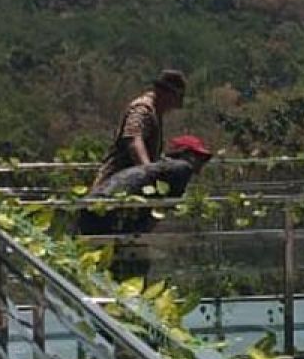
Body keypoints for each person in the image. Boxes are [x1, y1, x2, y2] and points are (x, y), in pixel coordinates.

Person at [78, 134, 215, 236]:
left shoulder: (161, 168)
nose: (202, 162)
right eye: (199, 157)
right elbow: (166, 207)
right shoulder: (182, 168)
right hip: (110, 207)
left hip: (97, 202)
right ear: (187, 154)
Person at [90, 69, 186, 192]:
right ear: (166, 93)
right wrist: (148, 171)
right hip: (115, 184)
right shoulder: (142, 109)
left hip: (132, 183)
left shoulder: (156, 112)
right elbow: (134, 139)